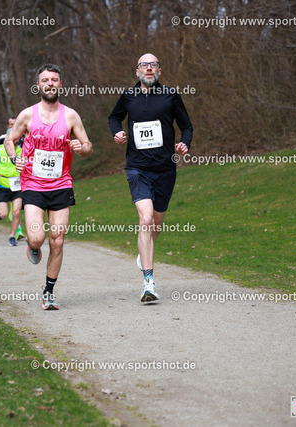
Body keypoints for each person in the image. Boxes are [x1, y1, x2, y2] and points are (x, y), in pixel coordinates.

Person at [5, 63, 93, 310]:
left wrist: (82, 148)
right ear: (38, 85)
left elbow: (87, 146)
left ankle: (49, 292)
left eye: (54, 80)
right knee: (36, 238)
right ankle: (32, 246)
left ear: (60, 84)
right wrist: (14, 157)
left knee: (57, 240)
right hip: (33, 183)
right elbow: (10, 140)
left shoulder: (71, 116)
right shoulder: (27, 115)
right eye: (45, 80)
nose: (50, 84)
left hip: (61, 183)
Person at [108, 53, 193, 303]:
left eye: (153, 64)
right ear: (137, 72)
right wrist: (117, 132)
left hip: (165, 169)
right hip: (137, 168)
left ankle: (145, 249)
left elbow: (187, 126)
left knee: (156, 224)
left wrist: (185, 144)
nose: (148, 68)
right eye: (144, 65)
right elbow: (114, 117)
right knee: (145, 220)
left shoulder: (171, 95)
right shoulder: (128, 96)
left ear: (159, 71)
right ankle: (149, 283)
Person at [0, 131, 23, 247]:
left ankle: (12, 236)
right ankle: (0, 213)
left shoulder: (22, 151)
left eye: (17, 136)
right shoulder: (0, 151)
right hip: (3, 185)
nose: (15, 139)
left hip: (17, 186)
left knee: (16, 212)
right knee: (4, 214)